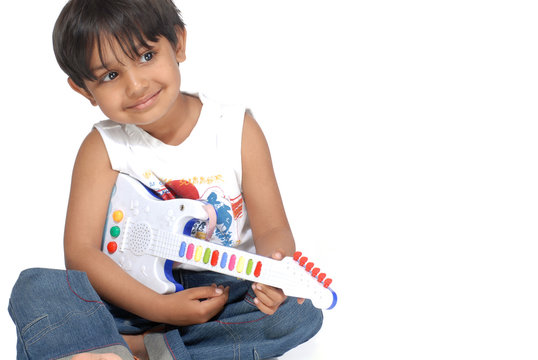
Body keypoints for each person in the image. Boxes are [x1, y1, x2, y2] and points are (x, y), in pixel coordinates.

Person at [8, 0, 323, 359]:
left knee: (297, 315)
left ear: (178, 44)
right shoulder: (102, 147)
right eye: (110, 76)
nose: (136, 84)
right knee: (35, 289)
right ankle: (146, 347)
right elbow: (80, 254)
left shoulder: (235, 129)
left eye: (145, 56)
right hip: (128, 297)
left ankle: (124, 350)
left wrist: (274, 271)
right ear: (84, 90)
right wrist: (159, 309)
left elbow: (272, 229)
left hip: (222, 296)